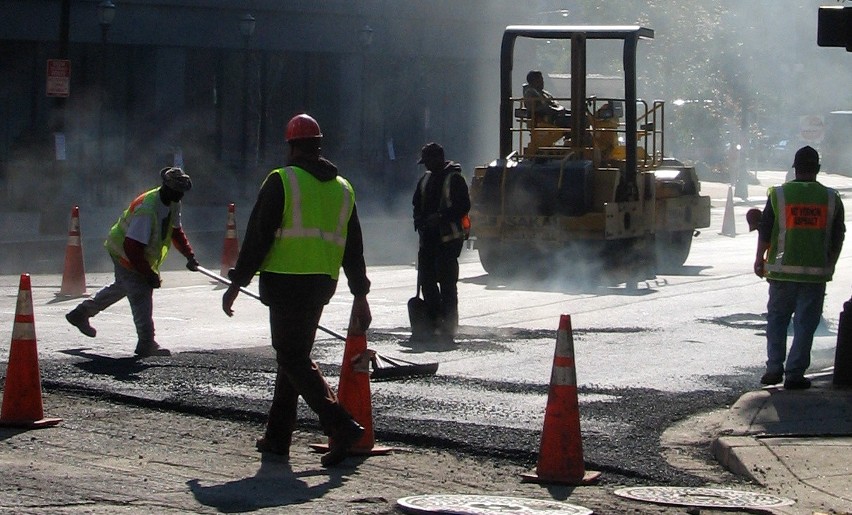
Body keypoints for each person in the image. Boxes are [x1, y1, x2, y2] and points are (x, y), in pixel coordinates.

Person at [222, 113, 371, 467]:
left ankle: (342, 425)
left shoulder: (282, 181)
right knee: (292, 356)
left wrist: (236, 283)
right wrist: (359, 292)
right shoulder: (343, 188)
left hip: (287, 280)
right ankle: (277, 438)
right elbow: (354, 247)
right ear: (318, 145)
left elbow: (258, 237)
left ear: (291, 146)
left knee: (292, 358)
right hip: (322, 283)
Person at [65, 167, 198, 358]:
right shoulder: (148, 209)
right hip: (124, 252)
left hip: (132, 252)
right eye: (178, 192)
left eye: (182, 193)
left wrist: (189, 256)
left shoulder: (173, 202)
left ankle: (81, 313)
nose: (180, 196)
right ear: (166, 188)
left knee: (123, 286)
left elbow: (175, 230)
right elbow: (132, 247)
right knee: (141, 293)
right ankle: (146, 342)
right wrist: (148, 274)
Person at [754, 145, 845, 390]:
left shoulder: (779, 195)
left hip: (782, 273)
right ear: (817, 169)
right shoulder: (831, 197)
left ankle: (774, 368)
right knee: (805, 325)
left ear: (794, 169)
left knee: (777, 320)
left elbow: (765, 230)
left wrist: (759, 259)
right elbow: (838, 236)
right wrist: (830, 263)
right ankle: (794, 374)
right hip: (815, 276)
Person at [412, 142, 471, 341]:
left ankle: (450, 324)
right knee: (426, 281)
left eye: (429, 160)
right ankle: (433, 319)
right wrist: (419, 220)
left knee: (447, 283)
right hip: (428, 239)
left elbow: (463, 206)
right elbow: (416, 204)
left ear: (439, 159)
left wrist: (440, 217)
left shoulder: (454, 179)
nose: (426, 165)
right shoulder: (425, 179)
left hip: (449, 240)